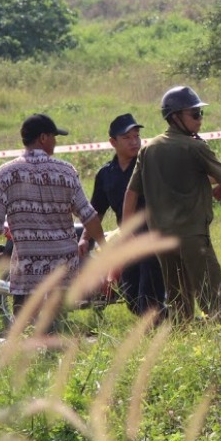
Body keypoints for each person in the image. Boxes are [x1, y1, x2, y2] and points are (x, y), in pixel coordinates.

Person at [123, 86, 221, 325]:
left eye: (201, 113)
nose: (200, 119)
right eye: (195, 114)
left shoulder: (149, 148)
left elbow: (131, 192)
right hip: (192, 235)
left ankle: (183, 340)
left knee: (178, 297)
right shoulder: (195, 147)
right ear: (175, 116)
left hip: (160, 237)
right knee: (211, 293)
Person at [0, 113, 106, 321]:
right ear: (43, 138)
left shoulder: (6, 173)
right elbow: (89, 216)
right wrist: (104, 245)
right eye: (54, 137)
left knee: (26, 327)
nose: (56, 142)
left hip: (27, 268)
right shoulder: (66, 172)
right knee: (56, 326)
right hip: (62, 269)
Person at [82, 113, 164, 317]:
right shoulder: (106, 174)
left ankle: (168, 331)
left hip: (153, 237)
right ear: (113, 142)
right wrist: (84, 238)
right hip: (127, 240)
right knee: (132, 299)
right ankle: (179, 321)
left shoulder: (149, 166)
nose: (134, 141)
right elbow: (96, 211)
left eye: (136, 136)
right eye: (127, 137)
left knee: (149, 298)